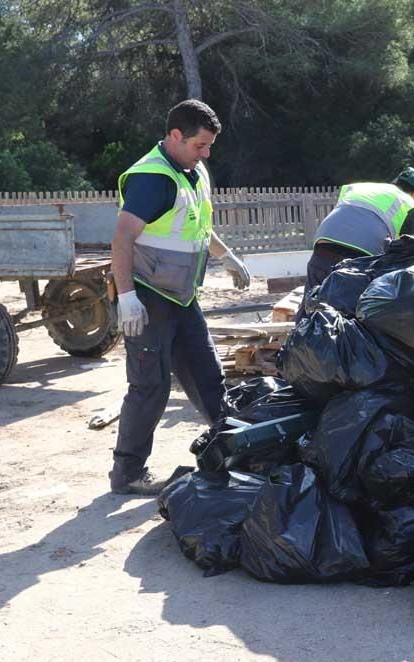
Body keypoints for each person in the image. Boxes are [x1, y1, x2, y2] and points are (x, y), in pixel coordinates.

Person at [108, 99, 251, 495]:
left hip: (183, 297)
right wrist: (126, 297)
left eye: (208, 147)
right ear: (175, 136)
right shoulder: (152, 178)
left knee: (209, 377)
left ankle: (239, 450)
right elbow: (122, 239)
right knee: (150, 386)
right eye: (199, 146)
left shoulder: (193, 170)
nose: (205, 154)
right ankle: (128, 474)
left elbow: (198, 226)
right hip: (148, 298)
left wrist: (227, 257)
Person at [306, 167, 414, 289]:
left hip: (323, 247)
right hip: (359, 260)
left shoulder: (360, 188)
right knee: (358, 305)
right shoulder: (410, 204)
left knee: (312, 302)